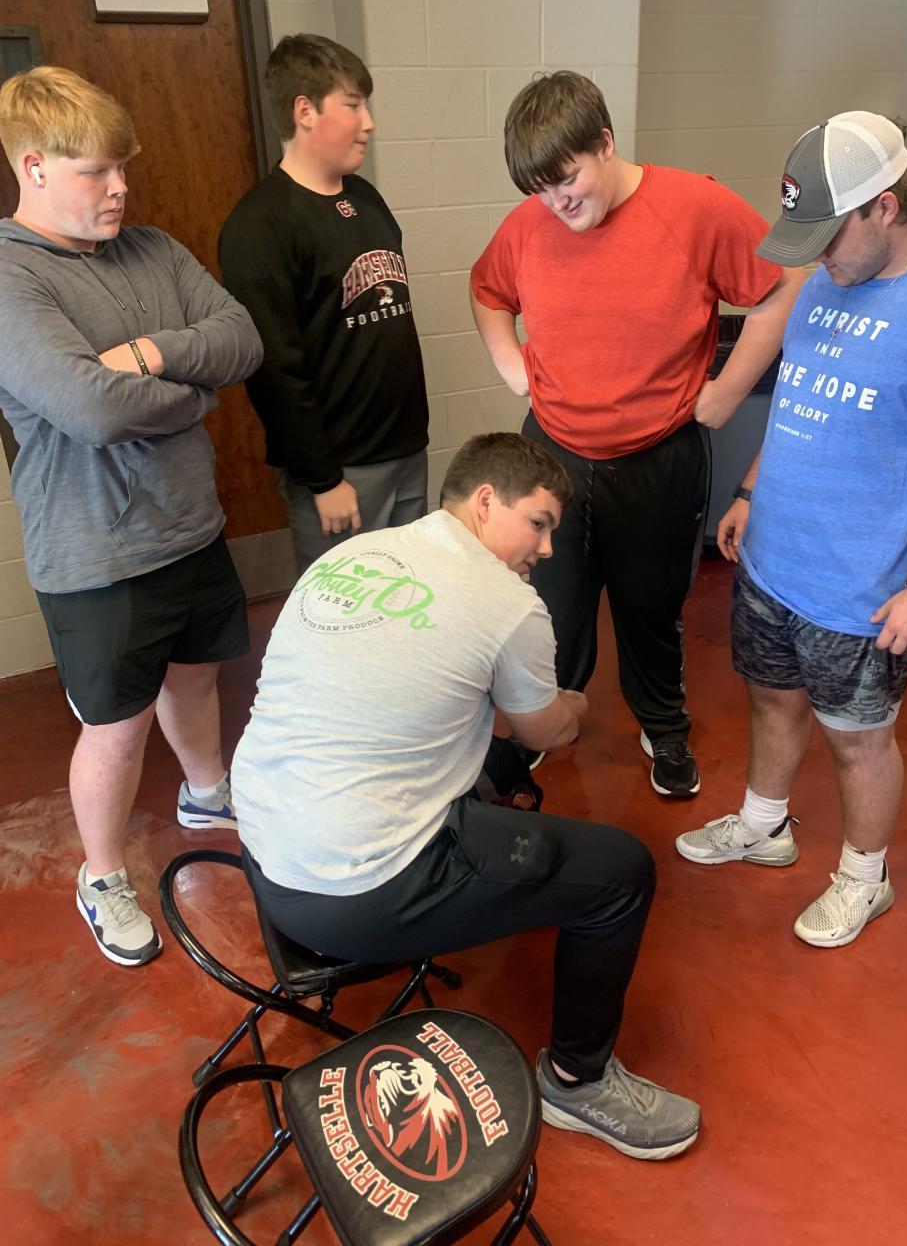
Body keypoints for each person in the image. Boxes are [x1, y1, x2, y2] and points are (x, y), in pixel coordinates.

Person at [232, 432, 701, 1161]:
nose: (545, 549)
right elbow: (549, 730)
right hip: (355, 896)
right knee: (622, 871)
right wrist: (574, 706)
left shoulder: (357, 554)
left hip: (264, 850)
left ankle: (494, 880)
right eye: (538, 524)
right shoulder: (507, 602)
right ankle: (578, 1083)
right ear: (486, 501)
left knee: (497, 758)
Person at [470, 71, 803, 798]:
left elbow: (782, 287)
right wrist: (512, 366)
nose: (558, 203)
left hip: (659, 455)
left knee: (651, 607)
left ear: (605, 142)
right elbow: (487, 291)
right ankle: (544, 723)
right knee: (549, 605)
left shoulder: (695, 206)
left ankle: (664, 725)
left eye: (568, 180)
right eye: (541, 190)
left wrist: (727, 392)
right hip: (553, 454)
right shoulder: (528, 224)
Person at [675, 112, 907, 948]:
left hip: (864, 592)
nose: (817, 255)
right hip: (774, 561)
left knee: (857, 741)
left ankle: (865, 879)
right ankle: (765, 826)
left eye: (828, 234)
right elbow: (802, 403)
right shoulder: (827, 279)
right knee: (771, 700)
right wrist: (752, 492)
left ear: (885, 206)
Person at [0, 67, 263, 966]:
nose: (119, 188)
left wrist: (150, 351)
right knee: (116, 726)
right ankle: (103, 875)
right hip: (97, 554)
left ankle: (207, 793)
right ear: (34, 167)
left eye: (124, 168)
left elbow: (241, 338)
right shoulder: (11, 276)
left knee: (196, 678)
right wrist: (195, 397)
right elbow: (91, 409)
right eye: (96, 172)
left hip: (189, 525)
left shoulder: (152, 249)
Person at [219, 34, 429, 573]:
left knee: (409, 597)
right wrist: (323, 479)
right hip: (340, 473)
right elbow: (274, 370)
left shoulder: (366, 198)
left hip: (406, 451)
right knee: (349, 611)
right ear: (305, 111)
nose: (369, 123)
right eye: (353, 105)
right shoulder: (259, 225)